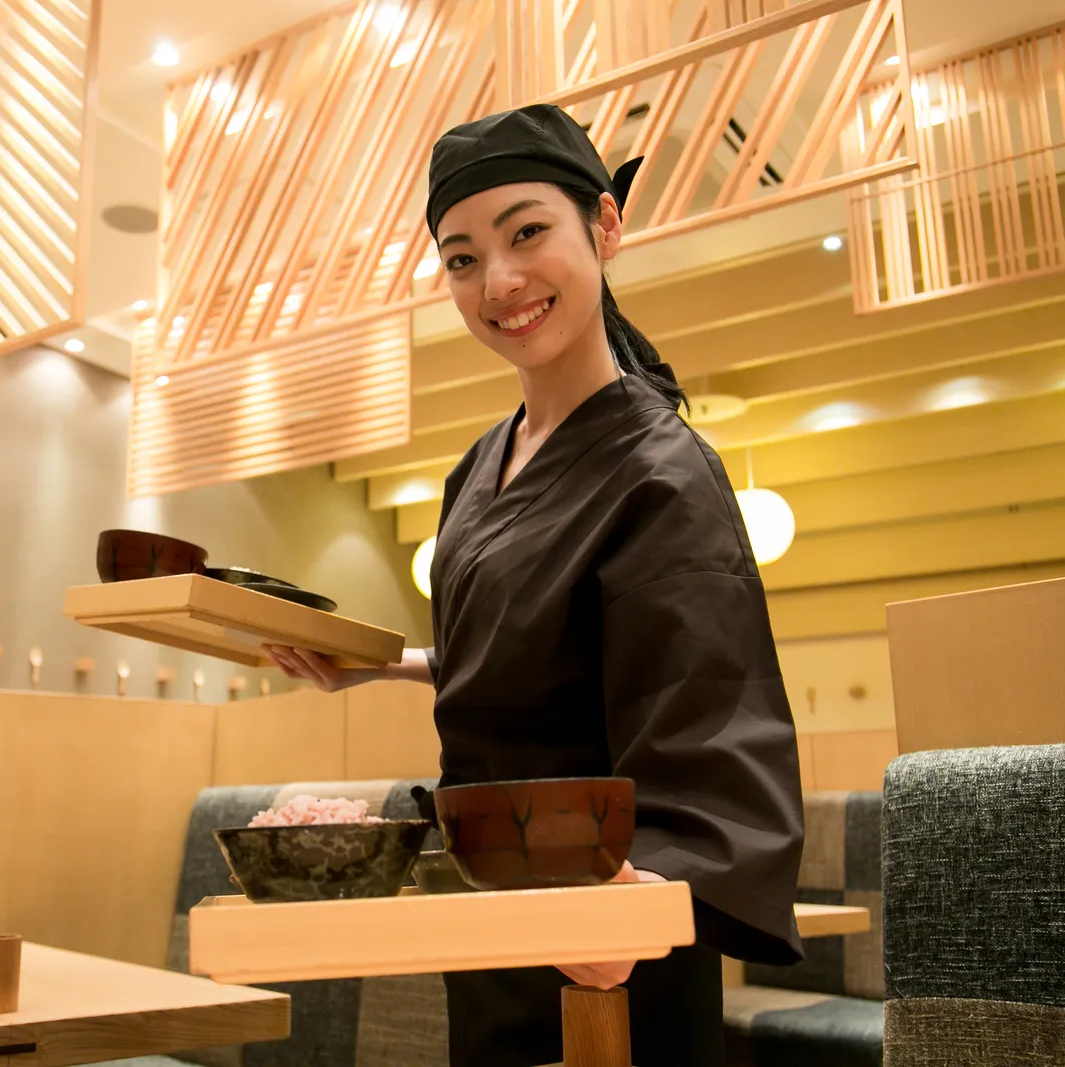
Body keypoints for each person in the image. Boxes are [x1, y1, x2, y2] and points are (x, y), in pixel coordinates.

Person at [267, 103, 803, 1067]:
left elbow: (710, 712)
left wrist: (644, 902)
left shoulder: (662, 470)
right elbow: (532, 656)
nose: (498, 281)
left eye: (526, 233)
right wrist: (378, 665)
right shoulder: (478, 466)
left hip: (612, 924)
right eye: (462, 257)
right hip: (489, 904)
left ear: (604, 226)